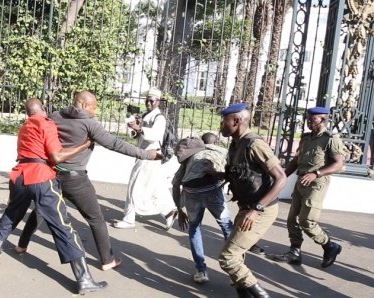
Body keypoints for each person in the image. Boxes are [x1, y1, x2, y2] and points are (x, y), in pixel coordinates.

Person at [15, 91, 160, 271]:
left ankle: (22, 244)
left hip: (51, 173)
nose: (95, 111)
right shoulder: (90, 124)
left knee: (41, 210)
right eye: (93, 107)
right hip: (76, 180)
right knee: (96, 218)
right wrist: (148, 155)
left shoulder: (55, 116)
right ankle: (107, 260)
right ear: (84, 105)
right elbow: (116, 144)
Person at [0, 98, 107, 295]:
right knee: (63, 226)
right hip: (40, 178)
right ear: (43, 109)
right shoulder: (46, 123)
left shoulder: (24, 127)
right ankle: (84, 280)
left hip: (18, 177)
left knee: (11, 215)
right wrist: (84, 146)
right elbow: (57, 157)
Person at [214, 103, 287, 297]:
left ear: (236, 121)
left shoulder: (255, 144)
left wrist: (257, 210)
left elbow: (281, 178)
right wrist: (217, 174)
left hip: (260, 209)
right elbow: (242, 173)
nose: (221, 125)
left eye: (224, 121)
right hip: (245, 207)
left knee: (228, 258)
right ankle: (244, 294)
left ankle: (262, 295)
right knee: (237, 254)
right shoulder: (236, 144)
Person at [267, 107, 345, 268]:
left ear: (323, 120)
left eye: (313, 119)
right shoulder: (306, 138)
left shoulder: (330, 139)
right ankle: (295, 252)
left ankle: (330, 246)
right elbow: (296, 161)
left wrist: (316, 174)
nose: (308, 122)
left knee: (307, 221)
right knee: (292, 220)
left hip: (316, 183)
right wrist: (281, 177)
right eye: (308, 118)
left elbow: (338, 164)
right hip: (301, 181)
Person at [113, 87, 178, 229]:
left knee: (135, 185)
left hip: (152, 155)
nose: (148, 103)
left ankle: (129, 218)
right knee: (153, 186)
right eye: (147, 100)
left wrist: (139, 128)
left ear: (158, 102)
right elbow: (138, 136)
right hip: (143, 154)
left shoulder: (159, 118)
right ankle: (169, 211)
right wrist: (134, 128)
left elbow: (155, 135)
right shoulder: (146, 115)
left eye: (151, 101)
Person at [171, 135, 233, 284]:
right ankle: (235, 271)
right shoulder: (222, 152)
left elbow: (175, 184)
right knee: (227, 227)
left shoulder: (189, 159)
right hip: (212, 189)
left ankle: (201, 271)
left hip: (192, 192)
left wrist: (180, 209)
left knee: (194, 228)